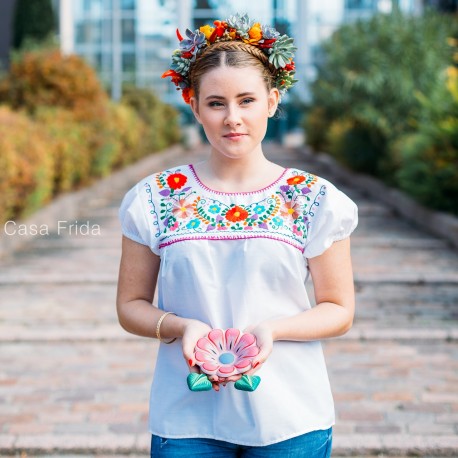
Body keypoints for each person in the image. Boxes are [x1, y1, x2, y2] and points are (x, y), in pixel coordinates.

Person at [117, 13, 358, 458]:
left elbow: (339, 309)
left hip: (291, 418)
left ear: (272, 100)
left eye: (246, 100)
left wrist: (272, 330)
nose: (233, 118)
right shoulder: (153, 198)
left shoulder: (313, 199)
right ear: (193, 105)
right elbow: (130, 306)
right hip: (185, 419)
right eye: (216, 103)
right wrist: (180, 326)